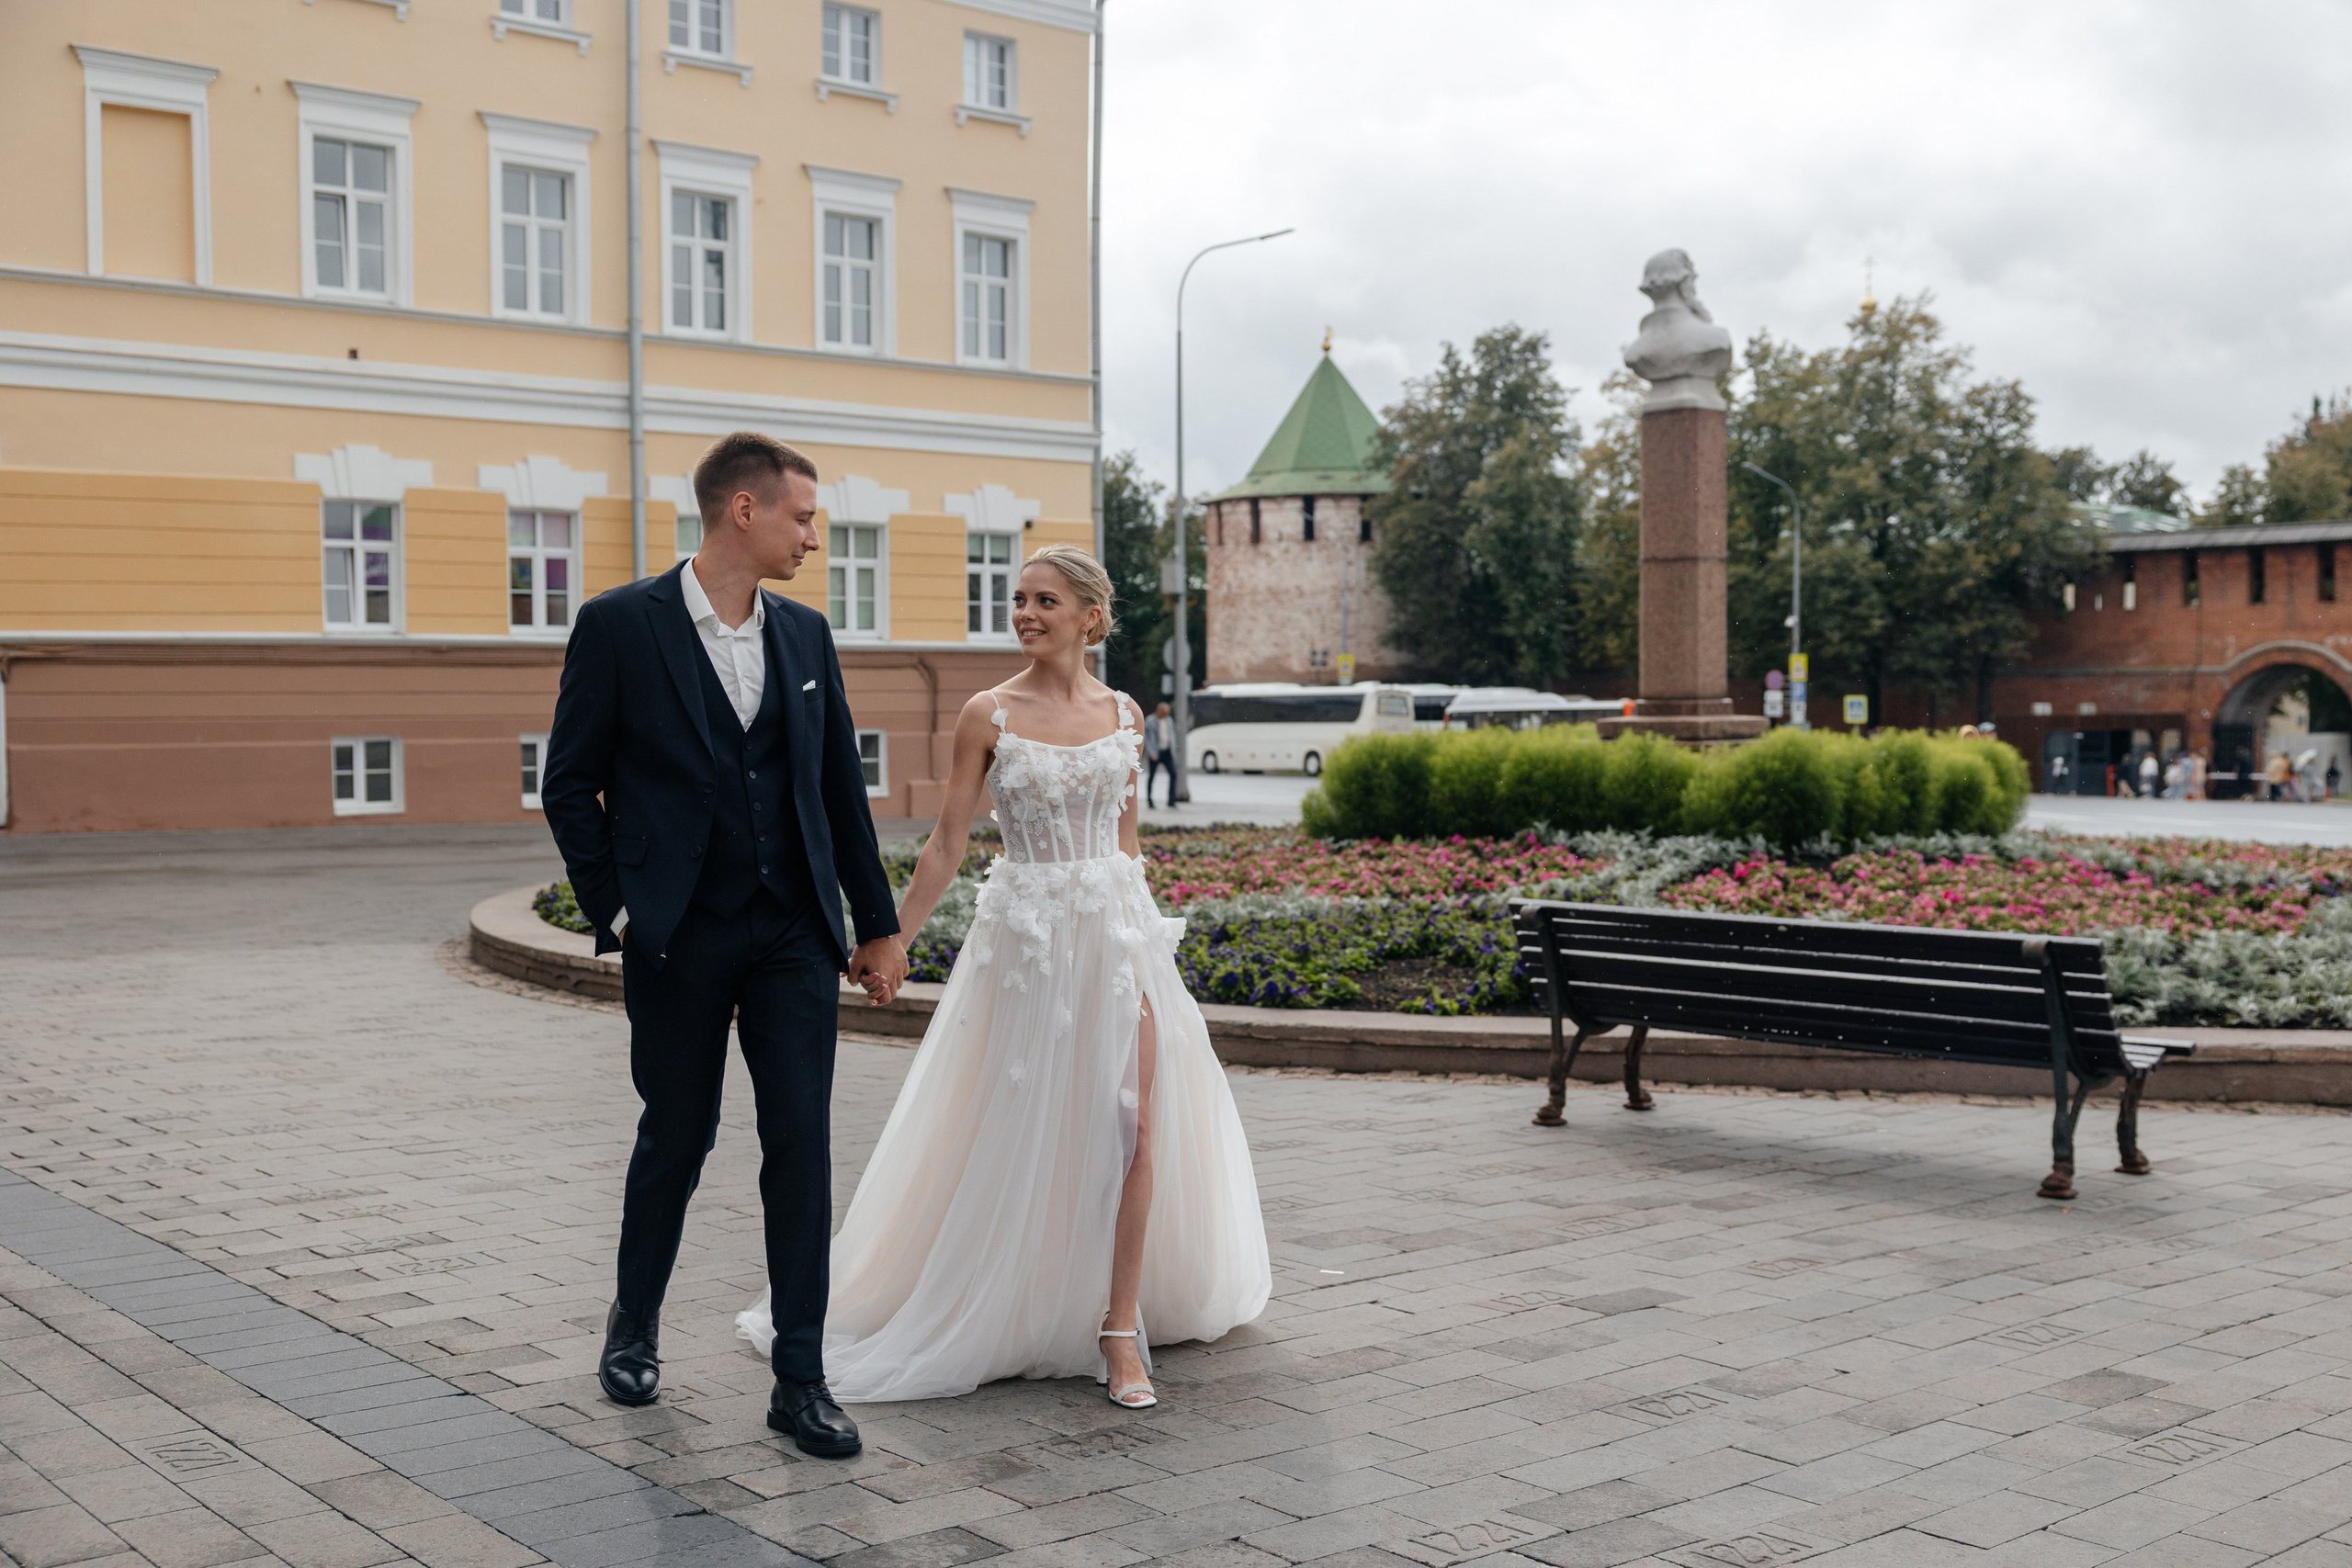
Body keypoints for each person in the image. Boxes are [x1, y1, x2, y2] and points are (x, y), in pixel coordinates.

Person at [736, 545, 1270, 1406]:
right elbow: (949, 842)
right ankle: (1008, 1294)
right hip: (1025, 944)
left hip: (1115, 934)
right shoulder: (988, 713)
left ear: (1090, 617)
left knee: (1135, 1125)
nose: (1024, 613)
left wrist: (1144, 945)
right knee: (1032, 1125)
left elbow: (1128, 844)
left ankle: (1119, 1328)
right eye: (1018, 599)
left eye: (1044, 600)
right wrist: (891, 938)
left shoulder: (1127, 712)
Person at [540, 432, 908, 1460]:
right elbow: (569, 781)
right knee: (680, 1133)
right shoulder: (621, 625)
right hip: (679, 931)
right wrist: (616, 909)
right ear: (742, 511)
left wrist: (872, 925)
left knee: (800, 1142)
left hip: (790, 928)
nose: (812, 536)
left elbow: (839, 789)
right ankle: (633, 1324)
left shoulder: (804, 636)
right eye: (802, 517)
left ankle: (801, 1379)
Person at [1144, 701, 1178, 807]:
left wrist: (1173, 751)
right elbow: (1147, 738)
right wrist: (1151, 752)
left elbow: (1172, 735)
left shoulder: (1169, 720)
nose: (1167, 713)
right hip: (1155, 752)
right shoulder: (1150, 721)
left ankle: (1171, 800)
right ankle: (1150, 800)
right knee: (1152, 776)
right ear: (1159, 711)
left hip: (1167, 752)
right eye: (1165, 711)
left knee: (1173, 774)